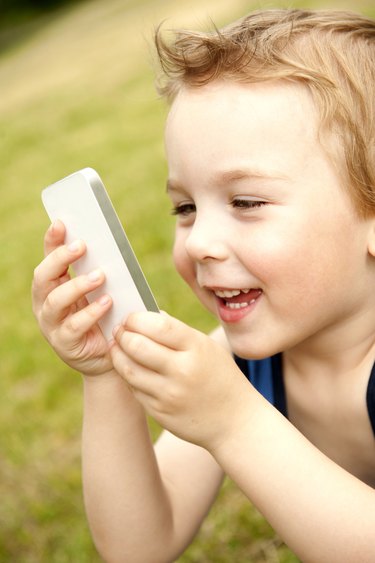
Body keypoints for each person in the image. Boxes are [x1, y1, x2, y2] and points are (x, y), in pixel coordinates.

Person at [32, 8, 375, 562]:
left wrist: (237, 424)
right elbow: (140, 545)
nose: (198, 242)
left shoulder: (234, 397)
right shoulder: (239, 367)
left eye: (246, 202)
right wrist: (105, 375)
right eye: (186, 207)